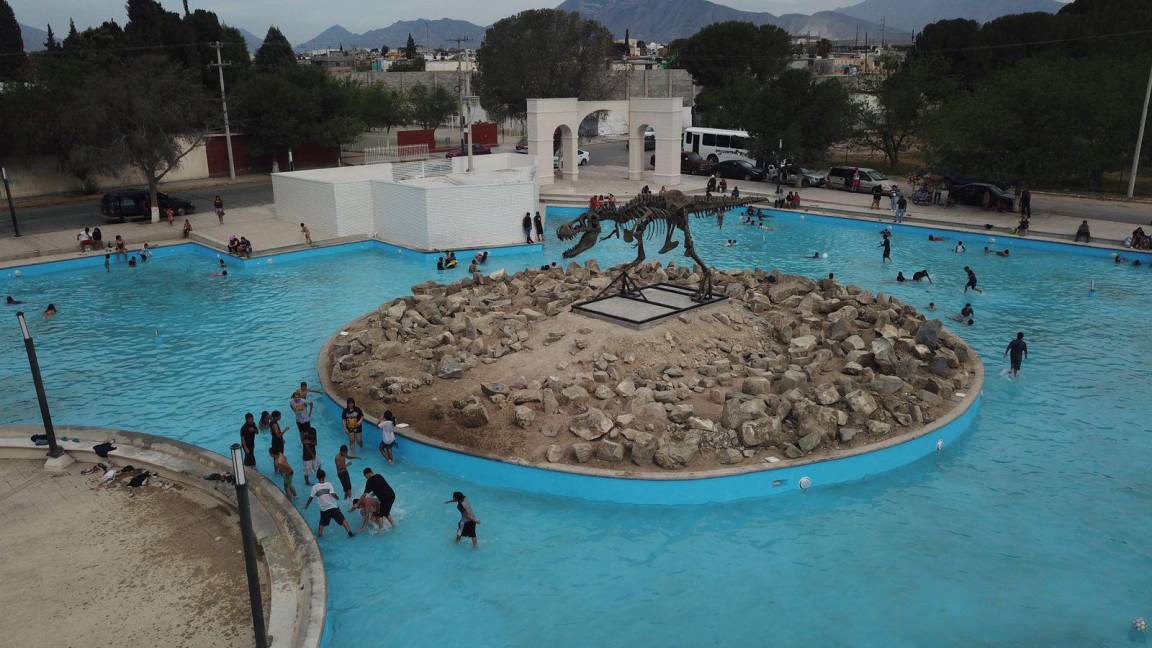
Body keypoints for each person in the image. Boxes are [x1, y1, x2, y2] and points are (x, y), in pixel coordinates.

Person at [305, 470, 355, 538]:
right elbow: (332, 493)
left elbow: (310, 498)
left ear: (317, 477)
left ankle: (320, 534)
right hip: (333, 507)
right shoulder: (328, 484)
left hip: (324, 509)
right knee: (343, 520)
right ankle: (349, 531)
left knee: (322, 523)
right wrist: (337, 497)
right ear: (324, 476)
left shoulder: (315, 487)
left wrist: (306, 506)